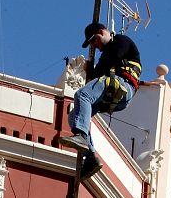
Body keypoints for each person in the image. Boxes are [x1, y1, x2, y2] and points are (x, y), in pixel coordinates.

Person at [60, 22, 141, 179]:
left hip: (122, 86)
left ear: (102, 31)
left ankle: (82, 137)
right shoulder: (106, 53)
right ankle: (90, 157)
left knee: (82, 95)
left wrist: (95, 70)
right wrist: (93, 71)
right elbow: (99, 72)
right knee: (73, 116)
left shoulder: (121, 41)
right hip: (113, 93)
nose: (94, 45)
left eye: (94, 40)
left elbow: (113, 58)